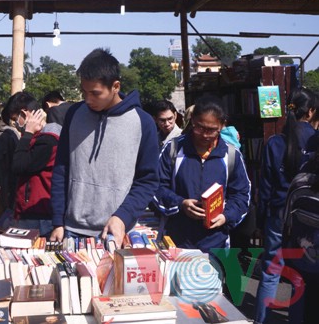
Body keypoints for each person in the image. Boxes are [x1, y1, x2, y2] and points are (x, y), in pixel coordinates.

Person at [49, 48, 159, 244]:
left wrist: (122, 216)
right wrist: (58, 220)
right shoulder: (74, 114)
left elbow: (147, 180)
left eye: (95, 93)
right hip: (71, 230)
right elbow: (61, 168)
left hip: (116, 231)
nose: (88, 99)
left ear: (115, 86)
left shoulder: (142, 122)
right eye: (84, 92)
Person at [153, 95, 251, 253]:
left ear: (222, 125)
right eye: (199, 128)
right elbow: (156, 186)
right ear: (192, 120)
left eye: (211, 130)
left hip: (217, 243)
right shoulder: (173, 149)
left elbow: (241, 194)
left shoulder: (232, 155)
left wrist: (226, 216)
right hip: (178, 242)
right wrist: (181, 203)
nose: (205, 135)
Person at [255, 88, 317, 324]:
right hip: (306, 219)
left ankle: (262, 320)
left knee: (271, 273)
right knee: (300, 277)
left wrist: (261, 221)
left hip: (277, 214)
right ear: (310, 112)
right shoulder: (314, 141)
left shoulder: (274, 142)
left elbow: (265, 188)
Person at [6, 92, 61, 237]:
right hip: (31, 212)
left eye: (15, 119)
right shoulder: (39, 138)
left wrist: (28, 133)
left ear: (24, 114)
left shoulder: (47, 141)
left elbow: (18, 165)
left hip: (39, 215)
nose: (15, 124)